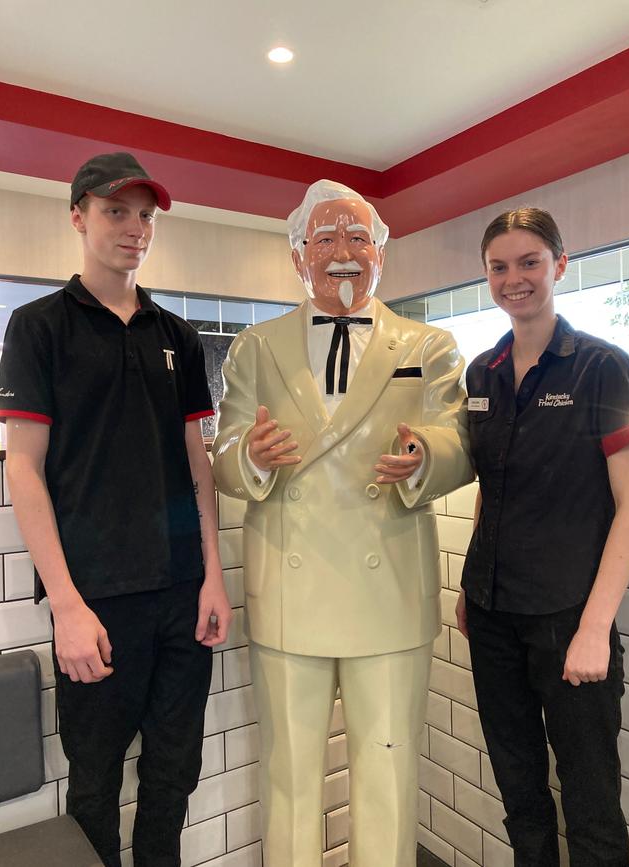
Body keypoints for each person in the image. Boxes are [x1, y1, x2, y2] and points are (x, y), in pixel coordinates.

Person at [212, 179, 473, 867]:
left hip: (386, 588)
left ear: (381, 253)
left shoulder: (430, 345)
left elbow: (459, 438)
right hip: (290, 592)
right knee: (290, 779)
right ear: (298, 256)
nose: (343, 252)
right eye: (325, 237)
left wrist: (424, 457)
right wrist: (251, 456)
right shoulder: (255, 348)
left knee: (387, 778)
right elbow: (224, 454)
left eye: (358, 236)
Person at [0, 152, 232, 867]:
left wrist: (213, 576)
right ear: (79, 216)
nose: (134, 229)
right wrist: (66, 605)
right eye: (115, 212)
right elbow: (24, 467)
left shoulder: (178, 335)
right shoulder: (38, 327)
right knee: (94, 784)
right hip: (96, 599)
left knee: (174, 769)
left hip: (181, 593)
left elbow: (198, 461)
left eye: (144, 216)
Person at [456, 207, 629, 867]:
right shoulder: (480, 372)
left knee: (592, 805)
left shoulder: (604, 367)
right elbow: (491, 482)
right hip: (490, 614)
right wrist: (473, 584)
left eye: (529, 262)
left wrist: (597, 626)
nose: (515, 279)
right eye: (499, 267)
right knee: (521, 794)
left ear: (559, 265)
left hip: (569, 619)